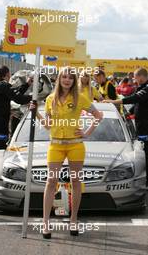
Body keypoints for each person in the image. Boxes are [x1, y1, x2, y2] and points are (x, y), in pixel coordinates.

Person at [33, 67, 103, 238]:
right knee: (51, 181)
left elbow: (98, 115)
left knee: (76, 182)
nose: (67, 80)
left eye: (70, 78)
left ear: (73, 81)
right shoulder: (50, 99)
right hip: (56, 145)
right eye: (64, 77)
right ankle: (45, 222)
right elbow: (48, 125)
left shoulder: (81, 98)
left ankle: (73, 219)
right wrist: (35, 113)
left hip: (75, 146)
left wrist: (86, 133)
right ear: (59, 79)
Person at [0, 66, 32, 198]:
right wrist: (33, 97)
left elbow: (15, 94)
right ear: (7, 74)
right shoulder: (2, 85)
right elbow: (18, 98)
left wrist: (27, 84)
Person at [103, 68, 148, 190]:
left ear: (141, 77)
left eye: (135, 77)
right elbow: (137, 104)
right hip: (141, 125)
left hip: (147, 127)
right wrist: (128, 113)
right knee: (143, 150)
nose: (134, 80)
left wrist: (114, 102)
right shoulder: (142, 87)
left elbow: (134, 99)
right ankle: (147, 176)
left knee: (146, 151)